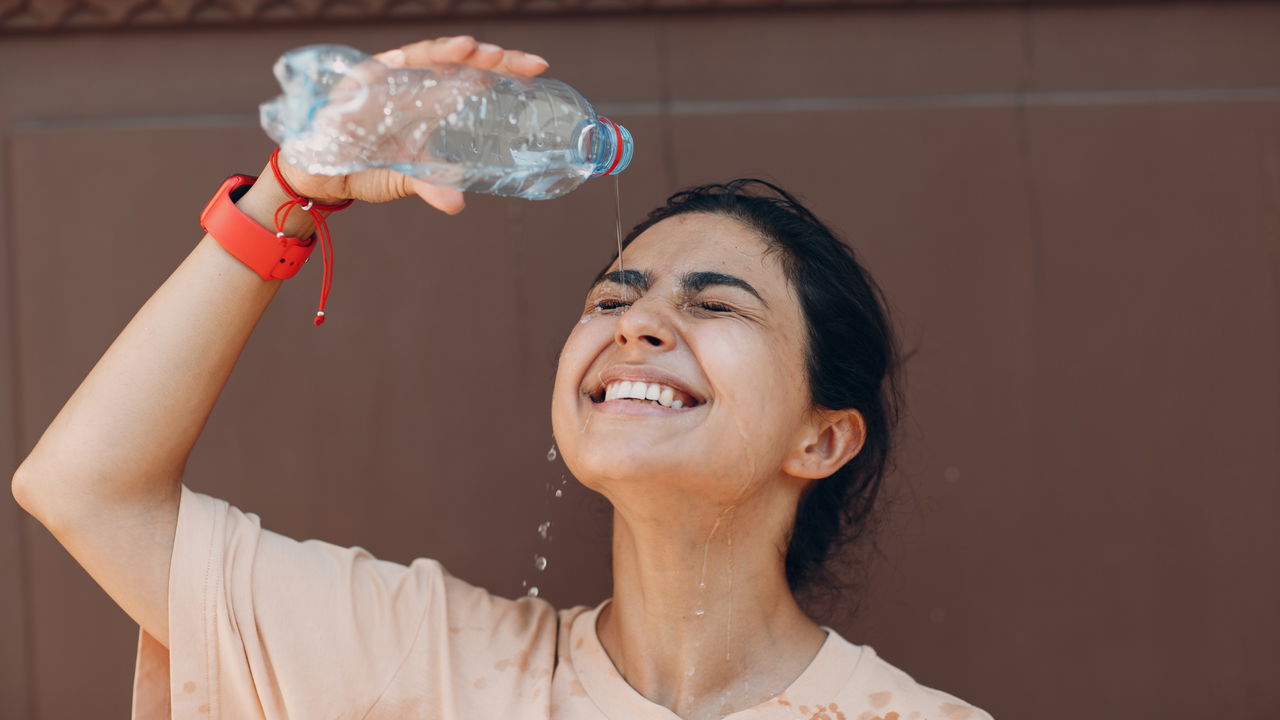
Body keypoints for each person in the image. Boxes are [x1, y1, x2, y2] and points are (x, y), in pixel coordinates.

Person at [11, 36, 993, 720]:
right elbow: (80, 489)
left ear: (820, 437)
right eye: (613, 297)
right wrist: (289, 192)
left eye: (713, 303)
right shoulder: (429, 659)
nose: (636, 323)